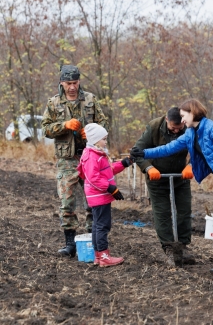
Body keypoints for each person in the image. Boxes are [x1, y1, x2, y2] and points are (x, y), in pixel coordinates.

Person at [130, 98, 213, 275]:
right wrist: (144, 153)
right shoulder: (192, 133)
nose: (182, 121)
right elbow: (168, 148)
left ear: (192, 113)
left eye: (184, 116)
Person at [42, 65, 108, 258]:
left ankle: (93, 239)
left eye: (75, 83)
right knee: (66, 201)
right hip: (67, 159)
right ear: (62, 82)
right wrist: (64, 125)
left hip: (89, 157)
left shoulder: (90, 99)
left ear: (79, 81)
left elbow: (104, 123)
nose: (72, 87)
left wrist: (91, 131)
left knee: (92, 200)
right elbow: (45, 128)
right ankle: (70, 243)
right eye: (68, 83)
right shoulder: (53, 103)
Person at [132, 107, 195, 268]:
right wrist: (148, 168)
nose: (176, 130)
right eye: (173, 127)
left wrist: (191, 166)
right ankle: (168, 247)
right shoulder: (154, 127)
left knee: (184, 210)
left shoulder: (189, 127)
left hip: (181, 176)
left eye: (179, 128)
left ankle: (182, 246)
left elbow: (200, 151)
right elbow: (137, 152)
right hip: (157, 178)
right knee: (162, 212)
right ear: (167, 120)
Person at [77, 123, 132, 267]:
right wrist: (111, 188)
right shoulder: (91, 156)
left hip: (100, 195)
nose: (106, 141)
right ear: (95, 139)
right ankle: (104, 256)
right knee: (102, 225)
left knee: (97, 225)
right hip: (98, 196)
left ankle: (98, 256)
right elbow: (93, 177)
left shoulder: (98, 153)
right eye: (104, 139)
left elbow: (109, 170)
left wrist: (126, 163)